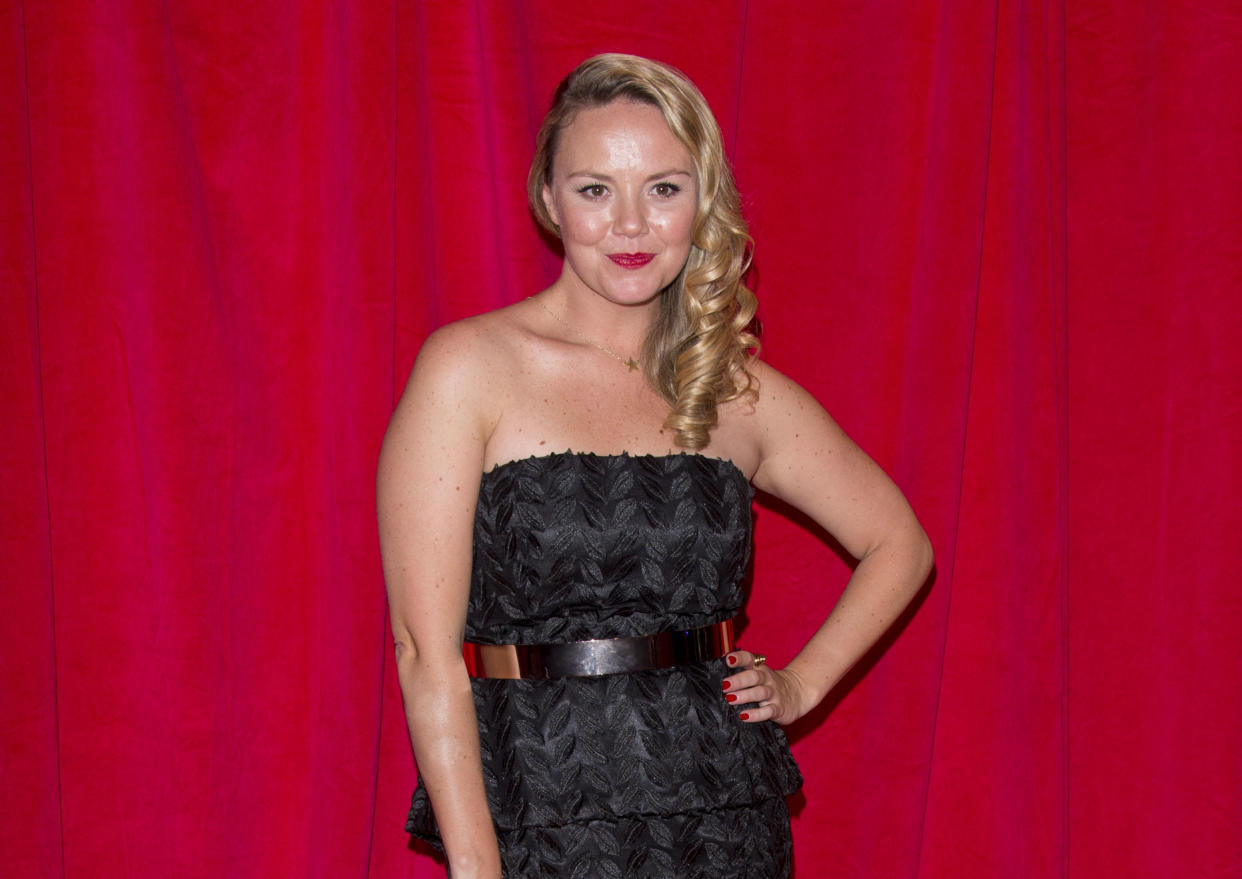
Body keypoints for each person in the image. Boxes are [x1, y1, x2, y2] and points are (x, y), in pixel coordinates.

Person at [377, 53, 933, 879]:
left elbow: (900, 543)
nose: (631, 224)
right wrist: (475, 864)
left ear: (702, 201)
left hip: (722, 817)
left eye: (664, 188)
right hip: (540, 813)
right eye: (595, 188)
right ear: (548, 197)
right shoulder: (469, 369)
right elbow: (425, 651)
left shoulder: (737, 393)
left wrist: (802, 684)